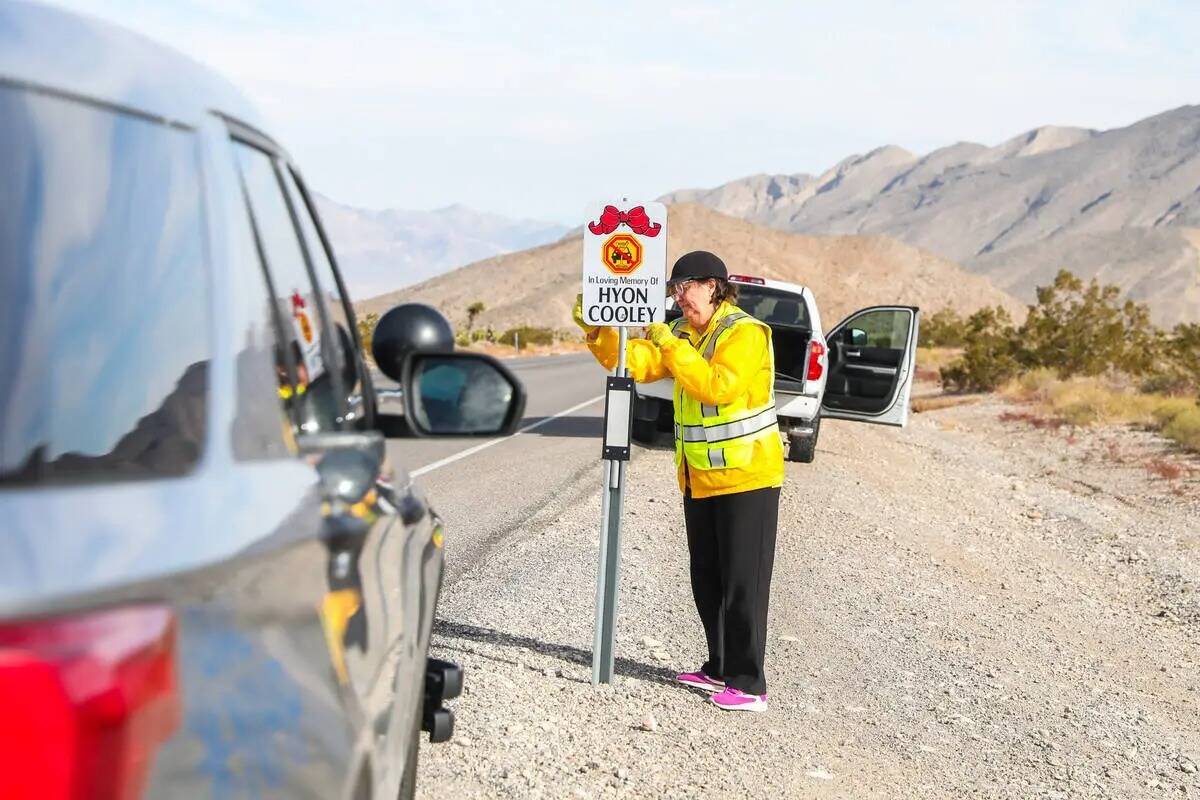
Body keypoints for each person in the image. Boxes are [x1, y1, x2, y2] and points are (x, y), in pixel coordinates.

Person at [574, 250, 784, 712]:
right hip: (700, 479)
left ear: (713, 285)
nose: (678, 296)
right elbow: (635, 363)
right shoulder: (688, 333)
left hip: (748, 477)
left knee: (743, 583)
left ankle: (749, 685)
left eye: (684, 286)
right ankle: (719, 667)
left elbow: (717, 386)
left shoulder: (744, 333)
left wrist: (669, 342)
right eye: (674, 289)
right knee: (707, 577)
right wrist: (596, 329)